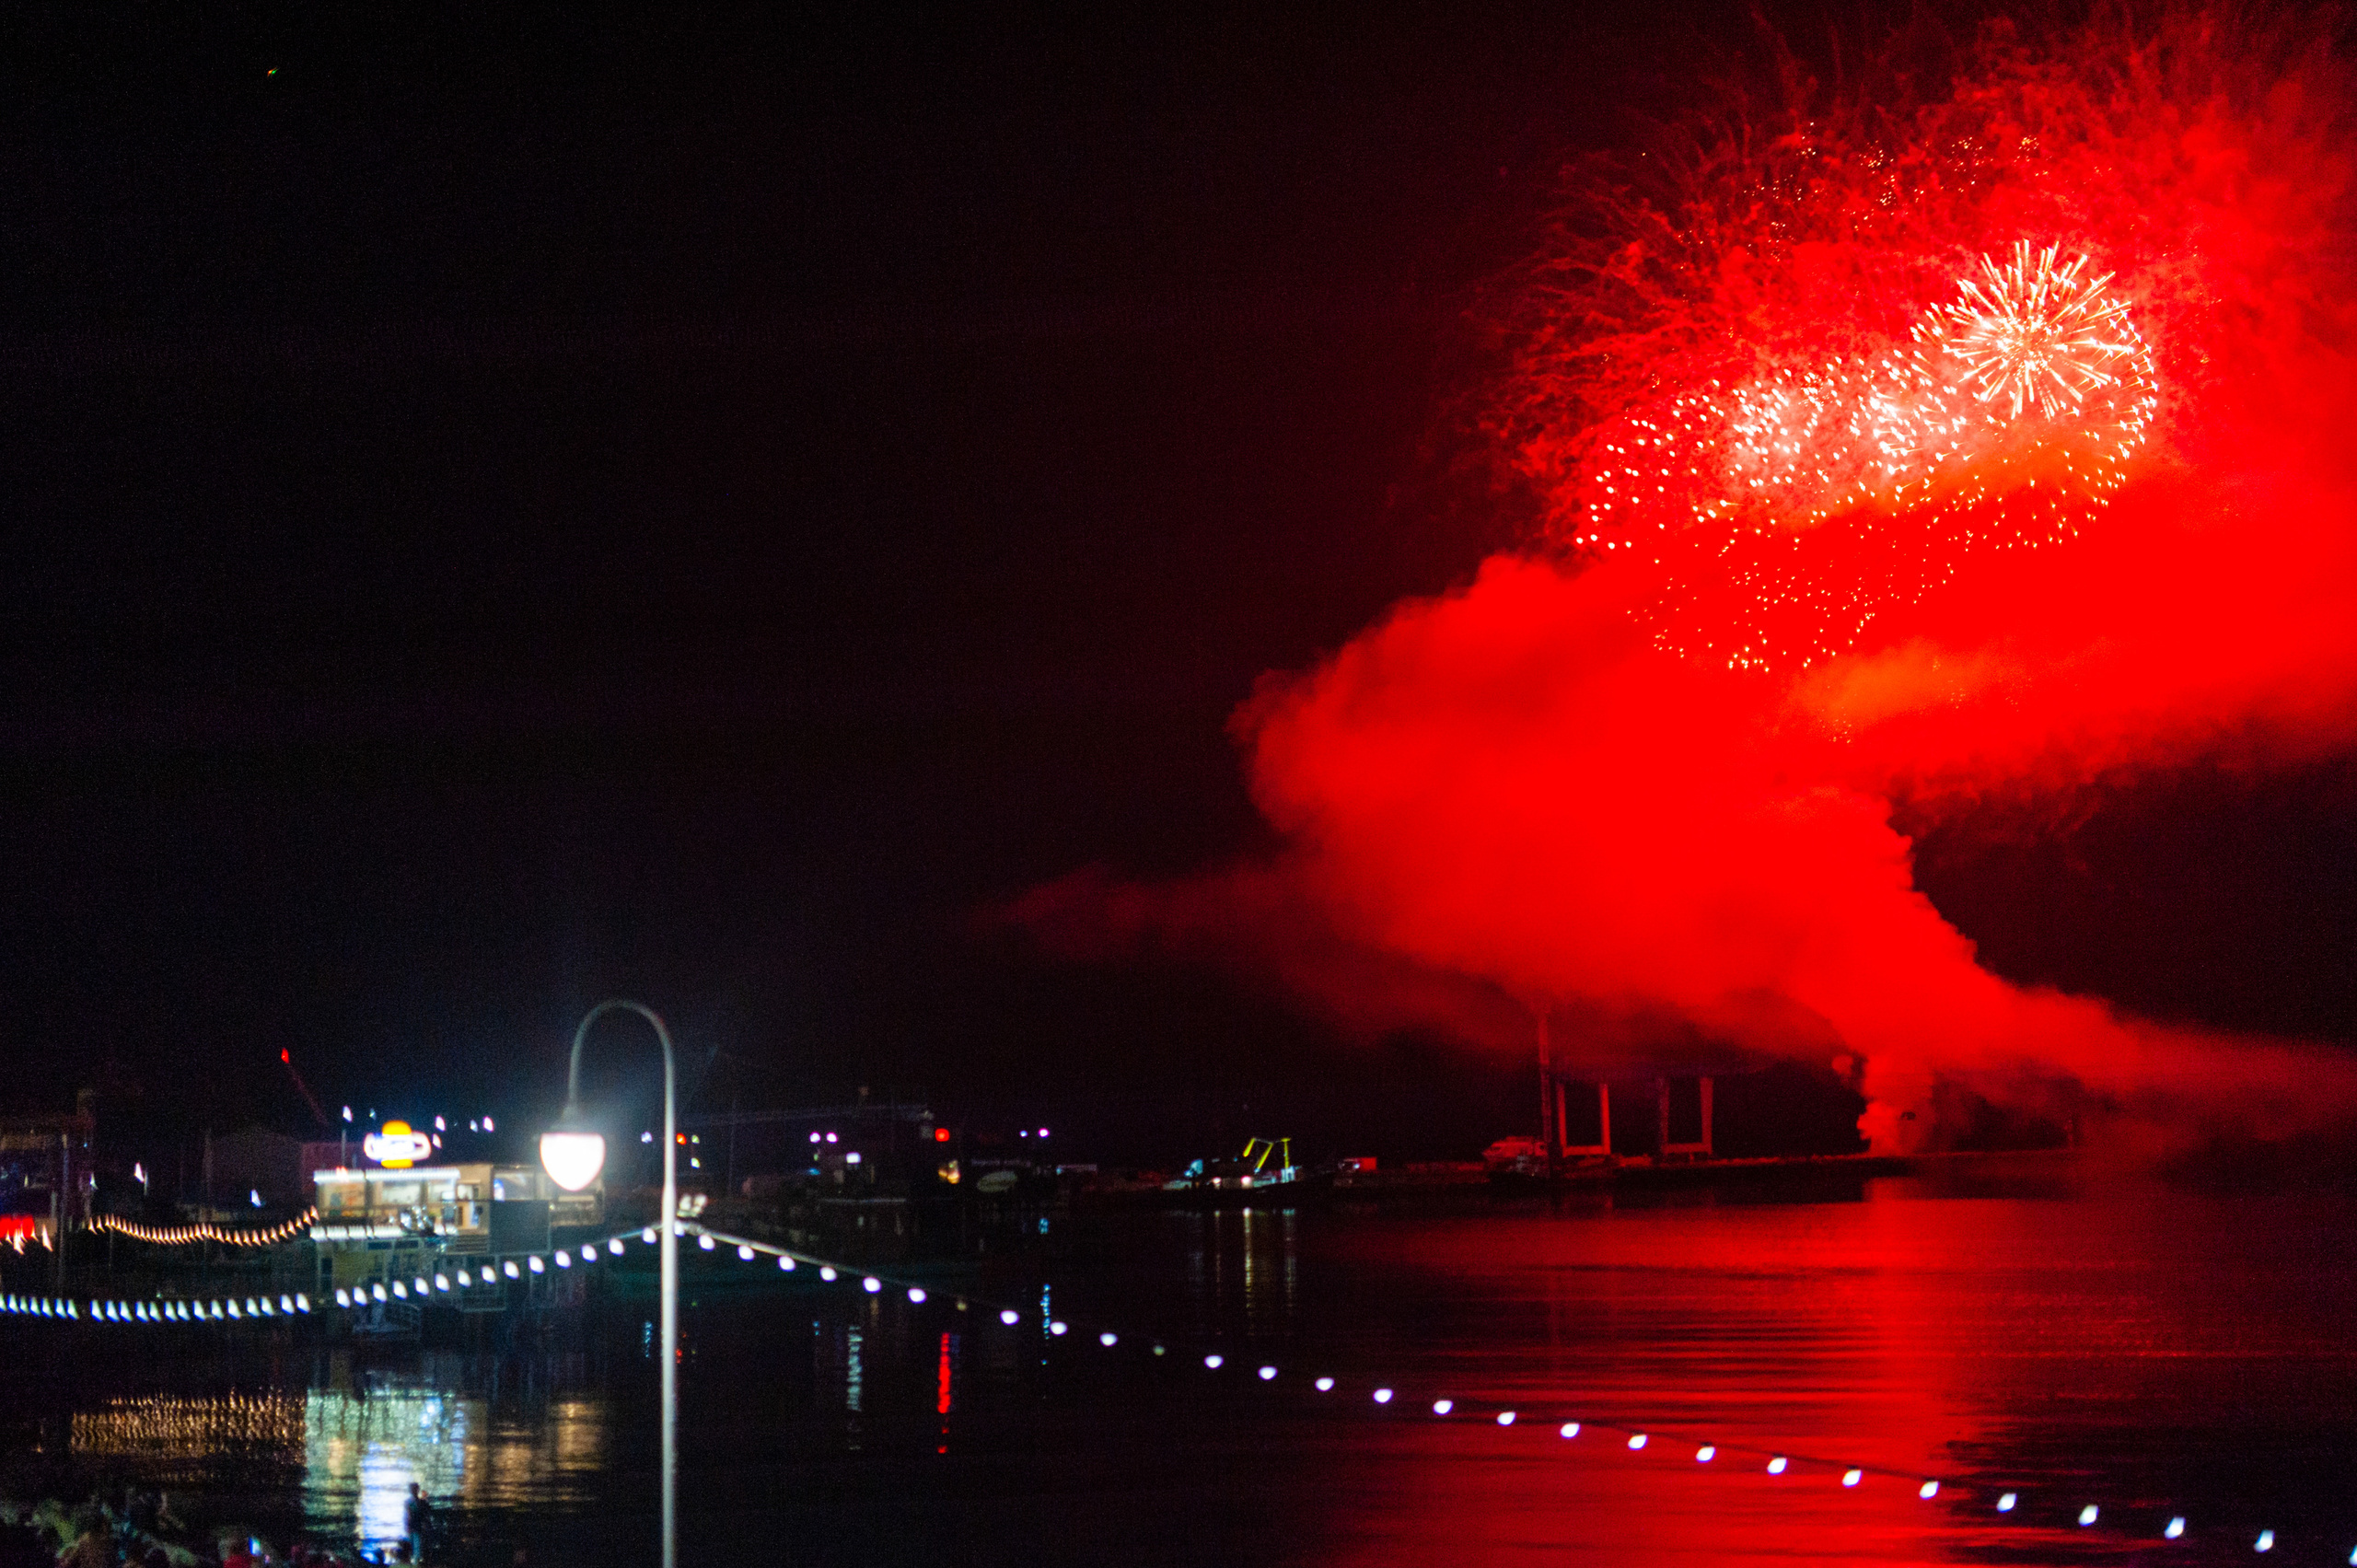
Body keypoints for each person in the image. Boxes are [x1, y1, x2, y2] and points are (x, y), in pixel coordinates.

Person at [401, 1485, 430, 1564]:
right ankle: (416, 1559)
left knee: (415, 1542)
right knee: (416, 1542)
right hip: (415, 1524)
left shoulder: (409, 1502)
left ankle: (415, 1559)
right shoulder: (417, 1502)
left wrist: (406, 1525)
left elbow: (407, 1515)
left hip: (414, 1524)